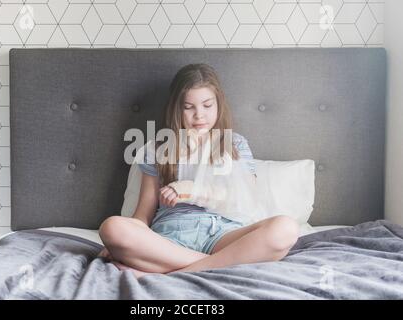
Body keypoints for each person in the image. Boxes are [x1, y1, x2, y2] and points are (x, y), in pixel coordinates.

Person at [98, 63, 299, 278]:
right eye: (188, 107)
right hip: (170, 238)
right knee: (111, 228)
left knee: (286, 228)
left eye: (207, 105)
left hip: (224, 234)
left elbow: (246, 200)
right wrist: (120, 240)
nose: (199, 115)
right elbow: (142, 216)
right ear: (177, 108)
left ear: (218, 104)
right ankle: (220, 264)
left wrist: (194, 190)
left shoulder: (235, 145)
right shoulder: (157, 148)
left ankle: (170, 271)